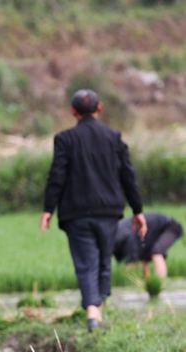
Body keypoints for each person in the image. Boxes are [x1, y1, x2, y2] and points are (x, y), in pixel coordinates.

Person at [39, 88, 147, 330]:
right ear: (100, 108)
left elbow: (56, 176)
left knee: (86, 262)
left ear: (72, 111)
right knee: (104, 260)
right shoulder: (114, 137)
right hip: (108, 212)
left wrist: (48, 209)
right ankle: (98, 307)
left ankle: (92, 312)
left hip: (76, 214)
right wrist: (138, 210)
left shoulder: (65, 139)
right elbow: (128, 176)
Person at [114, 212, 183, 278]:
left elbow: (132, 259)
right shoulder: (115, 237)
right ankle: (147, 282)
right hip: (149, 232)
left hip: (170, 227)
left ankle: (160, 282)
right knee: (143, 255)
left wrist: (130, 266)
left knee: (156, 252)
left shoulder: (122, 235)